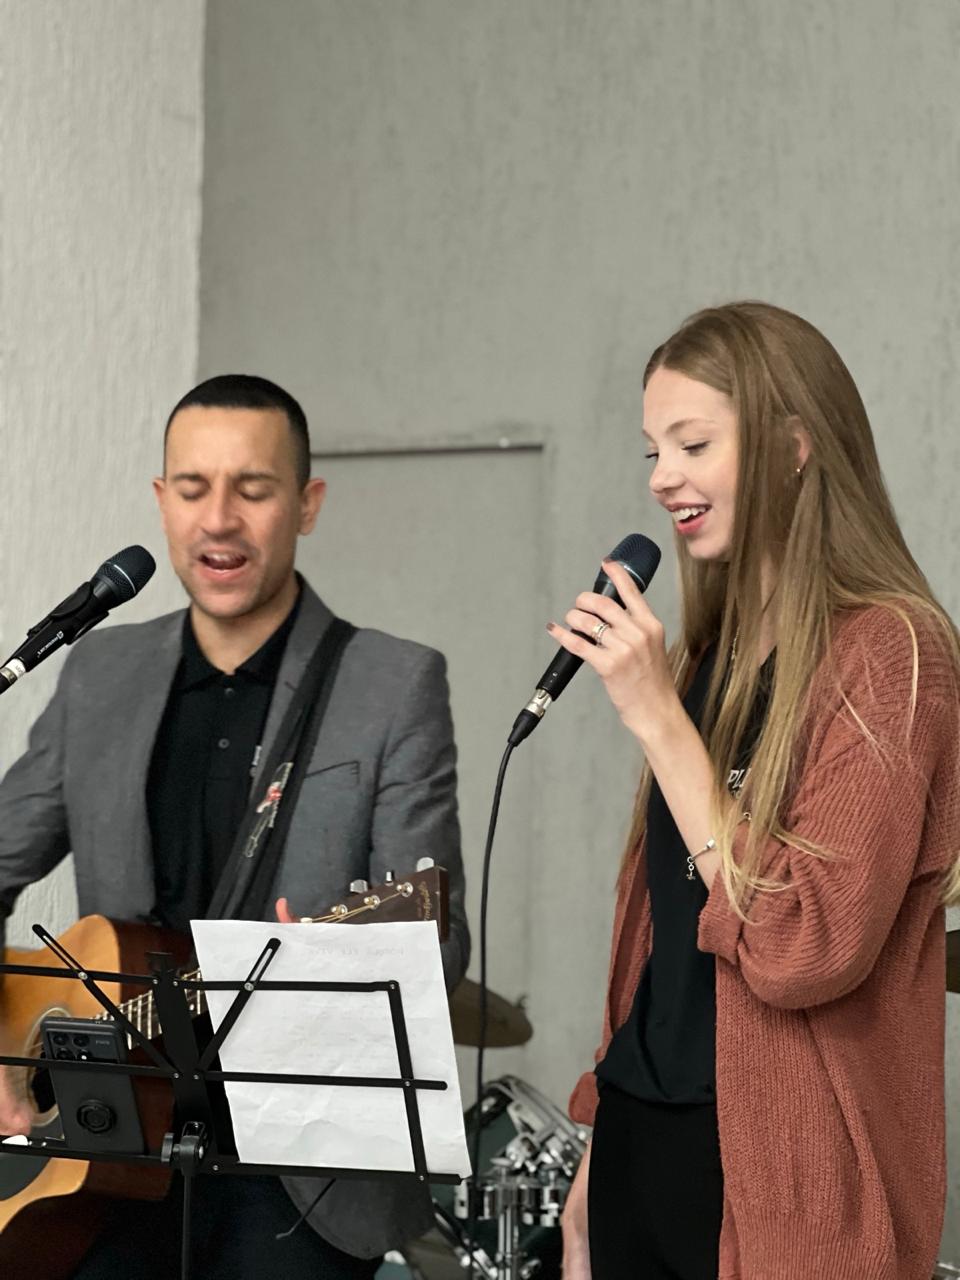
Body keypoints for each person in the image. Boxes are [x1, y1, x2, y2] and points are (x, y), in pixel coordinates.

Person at [0, 374, 469, 1278]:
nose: (220, 519)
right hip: (104, 1155)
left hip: (302, 1175)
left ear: (307, 504)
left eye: (253, 489)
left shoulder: (392, 683)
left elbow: (435, 942)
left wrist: (328, 970)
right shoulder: (100, 672)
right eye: (193, 488)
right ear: (161, 502)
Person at [555, 302, 960, 1280]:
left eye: (692, 442)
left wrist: (659, 722)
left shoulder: (894, 655)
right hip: (642, 1144)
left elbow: (803, 945)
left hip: (782, 1170)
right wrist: (600, 1143)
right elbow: (664, 949)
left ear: (793, 445)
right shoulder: (708, 656)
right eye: (653, 448)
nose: (662, 478)